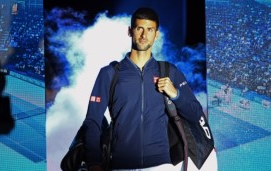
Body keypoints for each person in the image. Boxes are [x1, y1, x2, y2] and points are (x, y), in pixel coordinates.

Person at [82, 7, 213, 171]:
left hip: (162, 165)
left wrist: (176, 94)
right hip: (121, 165)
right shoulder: (109, 73)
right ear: (130, 31)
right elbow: (92, 120)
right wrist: (94, 163)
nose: (144, 35)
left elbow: (195, 114)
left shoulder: (169, 71)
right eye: (139, 29)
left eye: (150, 29)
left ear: (156, 34)